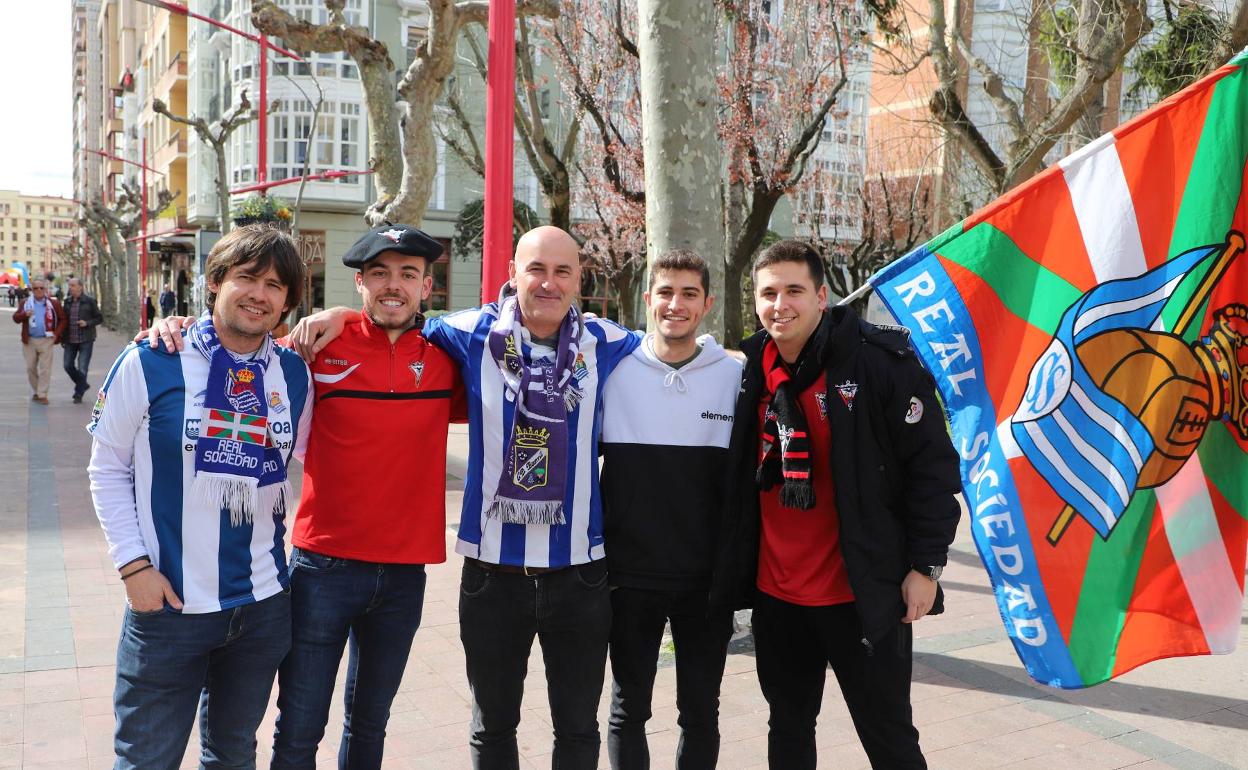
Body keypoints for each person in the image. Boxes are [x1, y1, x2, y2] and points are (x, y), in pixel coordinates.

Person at [294, 226, 640, 769]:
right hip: (490, 575)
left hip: (579, 574)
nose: (548, 283)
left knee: (578, 730)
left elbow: (677, 349)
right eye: (535, 269)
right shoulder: (467, 334)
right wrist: (337, 313)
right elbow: (395, 314)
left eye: (562, 271)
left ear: (578, 279)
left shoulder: (613, 343)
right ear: (512, 276)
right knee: (489, 729)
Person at [710, 240, 962, 770]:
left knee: (889, 736)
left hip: (862, 594)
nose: (781, 304)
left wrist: (927, 565)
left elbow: (932, 471)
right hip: (778, 597)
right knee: (789, 729)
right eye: (769, 292)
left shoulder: (879, 363)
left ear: (822, 296)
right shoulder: (753, 368)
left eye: (795, 290)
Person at [87, 224, 313, 770]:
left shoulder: (294, 374)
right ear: (215, 282)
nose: (260, 294)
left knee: (234, 755)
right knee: (147, 758)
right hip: (168, 606)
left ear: (287, 302)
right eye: (247, 278)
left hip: (261, 607)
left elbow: (300, 467)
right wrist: (133, 567)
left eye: (276, 286)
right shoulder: (151, 359)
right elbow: (107, 467)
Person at [270, 225, 464, 768]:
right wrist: (177, 327)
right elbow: (241, 352)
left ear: (428, 287)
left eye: (408, 274)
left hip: (404, 574)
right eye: (379, 274)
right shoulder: (317, 346)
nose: (393, 285)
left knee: (369, 723)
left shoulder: (448, 360)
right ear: (360, 283)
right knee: (300, 723)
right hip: (322, 568)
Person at [599, 250, 741, 770]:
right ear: (647, 298)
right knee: (626, 709)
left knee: (700, 712)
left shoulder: (734, 376)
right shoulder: (614, 370)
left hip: (706, 581)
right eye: (665, 292)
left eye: (688, 293)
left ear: (706, 303)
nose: (675, 304)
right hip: (628, 574)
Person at [13, 279, 67, 405]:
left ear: (45, 289)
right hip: (29, 341)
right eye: (35, 288)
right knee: (30, 368)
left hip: (46, 340)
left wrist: (56, 334)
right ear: (31, 290)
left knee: (45, 369)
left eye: (41, 288)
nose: (38, 290)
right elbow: (15, 318)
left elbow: (63, 319)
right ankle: (37, 391)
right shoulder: (25, 303)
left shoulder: (53, 303)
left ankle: (42, 394)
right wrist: (24, 315)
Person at [62, 277, 104, 404]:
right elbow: (64, 321)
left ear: (80, 287)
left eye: (73, 285)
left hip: (86, 339)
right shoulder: (67, 302)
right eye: (70, 285)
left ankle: (78, 393)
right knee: (68, 365)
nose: (71, 288)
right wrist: (63, 338)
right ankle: (83, 384)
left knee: (82, 368)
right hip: (70, 339)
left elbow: (99, 318)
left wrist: (87, 323)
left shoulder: (89, 301)